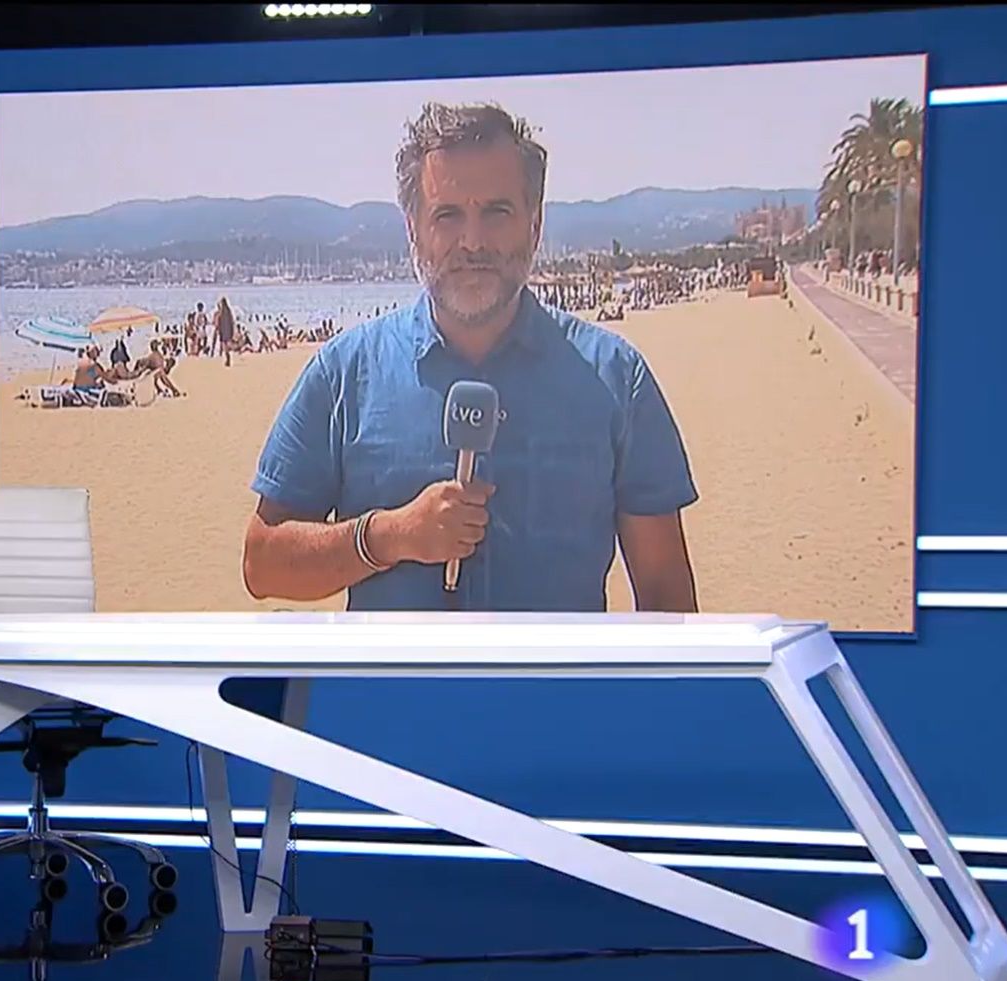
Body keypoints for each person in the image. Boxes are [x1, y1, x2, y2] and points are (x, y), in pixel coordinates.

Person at [241, 102, 699, 613]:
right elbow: (263, 563)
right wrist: (388, 536)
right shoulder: (345, 375)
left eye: (497, 212)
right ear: (413, 230)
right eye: (447, 215)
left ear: (535, 225)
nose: (473, 241)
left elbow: (666, 594)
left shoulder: (616, 380)